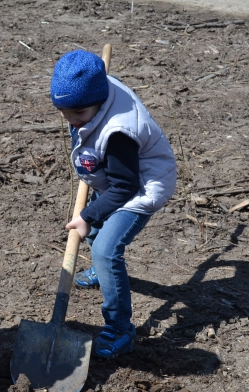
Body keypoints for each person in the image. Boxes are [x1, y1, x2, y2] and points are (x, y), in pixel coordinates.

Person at [50, 49, 177, 359]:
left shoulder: (120, 132)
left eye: (78, 115)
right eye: (64, 113)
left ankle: (120, 328)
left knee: (105, 249)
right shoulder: (94, 92)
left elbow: (125, 187)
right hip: (110, 175)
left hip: (140, 187)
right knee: (95, 234)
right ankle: (101, 270)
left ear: (99, 100)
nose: (71, 121)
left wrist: (88, 214)